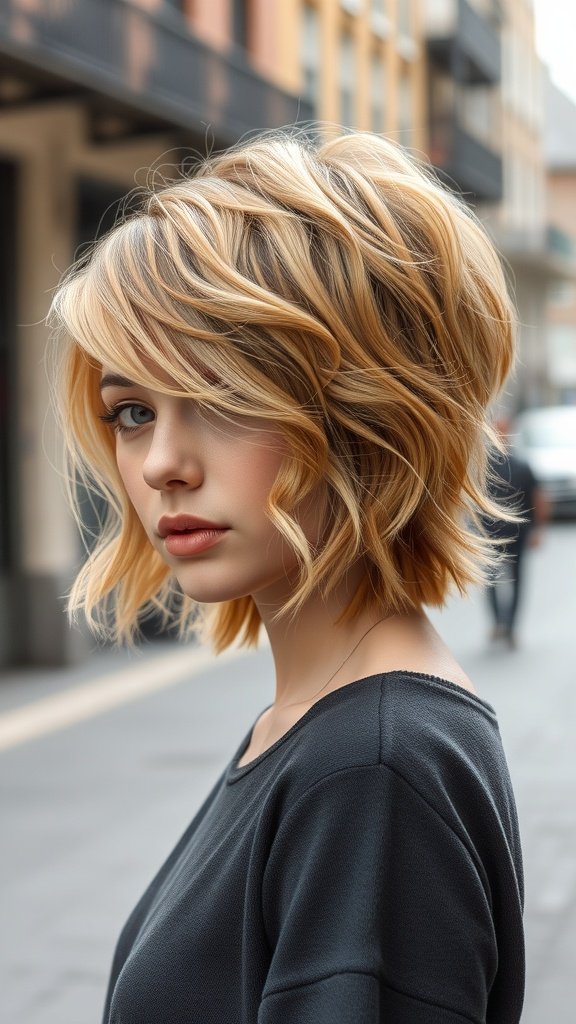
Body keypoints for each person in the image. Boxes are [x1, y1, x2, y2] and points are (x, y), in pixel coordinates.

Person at [49, 130, 525, 1023]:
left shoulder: (374, 767)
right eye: (132, 411)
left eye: (225, 396)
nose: (160, 464)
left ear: (365, 411)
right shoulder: (316, 724)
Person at [485, 417, 548, 648]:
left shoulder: (521, 465)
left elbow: (538, 498)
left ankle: (510, 626)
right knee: (491, 581)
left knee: (516, 580)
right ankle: (501, 622)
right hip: (489, 534)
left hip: (516, 534)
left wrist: (538, 530)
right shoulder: (484, 466)